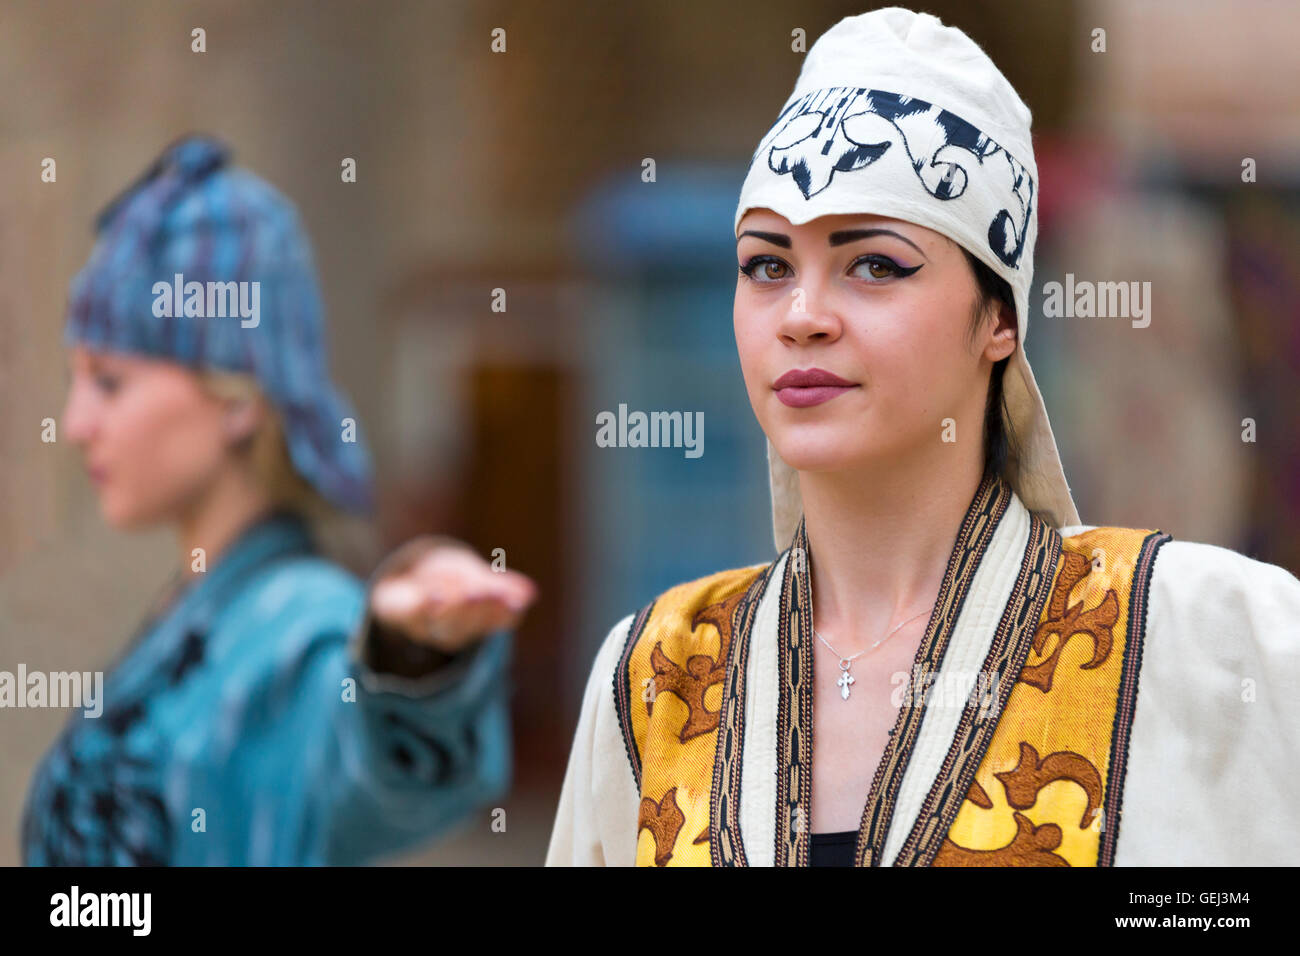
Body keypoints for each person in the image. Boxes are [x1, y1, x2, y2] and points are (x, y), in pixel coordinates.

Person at [546, 7, 1300, 866]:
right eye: (767, 265)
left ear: (999, 320)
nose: (803, 317)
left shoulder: (1210, 634)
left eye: (874, 265)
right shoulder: (656, 675)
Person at [23, 135, 537, 865]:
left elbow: (381, 776)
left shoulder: (301, 628)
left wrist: (415, 659)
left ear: (235, 397)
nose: (77, 425)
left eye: (110, 382)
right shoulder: (202, 609)